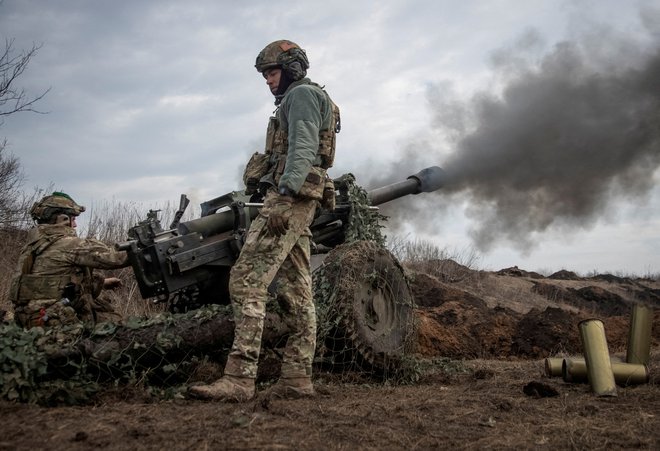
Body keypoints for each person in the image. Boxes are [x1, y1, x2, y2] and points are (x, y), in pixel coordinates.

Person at [189, 39, 340, 401]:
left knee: (245, 280)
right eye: (265, 75)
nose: (268, 81)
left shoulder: (301, 96)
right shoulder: (310, 96)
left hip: (290, 198)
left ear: (291, 69)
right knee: (297, 291)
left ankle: (239, 379)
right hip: (303, 199)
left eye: (272, 73)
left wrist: (284, 196)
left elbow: (303, 147)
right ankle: (297, 378)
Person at [9, 192, 129, 330]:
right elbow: (115, 258)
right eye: (73, 219)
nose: (76, 224)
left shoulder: (33, 246)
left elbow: (48, 282)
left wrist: (102, 282)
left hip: (31, 317)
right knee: (120, 331)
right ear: (62, 219)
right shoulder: (66, 244)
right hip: (54, 320)